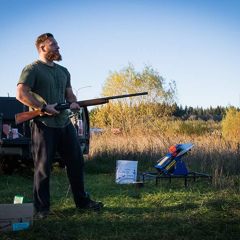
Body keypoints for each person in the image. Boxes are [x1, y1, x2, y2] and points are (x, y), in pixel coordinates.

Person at [16, 33, 103, 219]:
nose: (58, 47)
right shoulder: (32, 69)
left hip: (64, 123)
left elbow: (69, 95)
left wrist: (73, 103)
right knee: (43, 167)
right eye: (53, 44)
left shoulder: (63, 71)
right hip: (43, 124)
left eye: (57, 44)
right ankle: (42, 209)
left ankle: (83, 202)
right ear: (42, 48)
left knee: (77, 162)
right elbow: (21, 94)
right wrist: (43, 107)